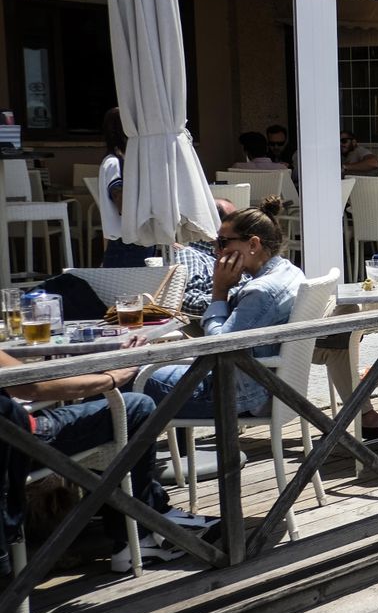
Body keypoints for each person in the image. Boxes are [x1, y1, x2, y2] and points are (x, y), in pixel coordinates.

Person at [1, 345, 217, 576]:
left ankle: (149, 512)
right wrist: (110, 379)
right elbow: (32, 386)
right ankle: (138, 535)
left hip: (11, 442)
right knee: (137, 406)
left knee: (110, 395)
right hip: (21, 442)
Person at [143, 198, 306, 419]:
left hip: (237, 395)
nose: (216, 250)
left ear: (253, 245)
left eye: (222, 242)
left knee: (133, 376)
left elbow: (219, 349)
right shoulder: (290, 271)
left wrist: (219, 290)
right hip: (268, 386)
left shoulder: (261, 291)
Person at [97, 107, 162, 267]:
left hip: (137, 240)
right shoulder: (114, 163)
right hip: (125, 244)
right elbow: (122, 204)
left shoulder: (128, 162)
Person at [173, 199, 239, 317]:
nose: (241, 229)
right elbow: (188, 302)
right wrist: (238, 297)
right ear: (215, 224)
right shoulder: (190, 255)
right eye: (235, 222)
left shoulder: (233, 253)